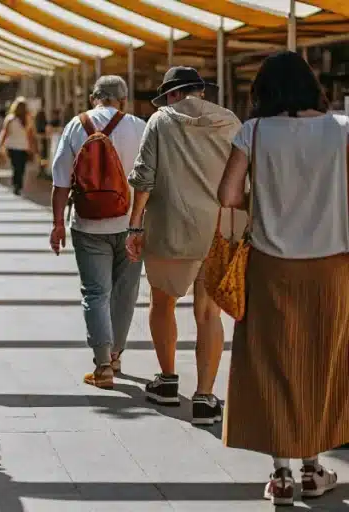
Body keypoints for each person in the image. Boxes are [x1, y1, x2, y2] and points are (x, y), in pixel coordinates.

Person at [216, 51, 347, 506]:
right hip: (332, 265)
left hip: (270, 265)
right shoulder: (342, 129)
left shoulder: (253, 131)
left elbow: (228, 195)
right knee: (321, 363)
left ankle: (282, 476)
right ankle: (313, 468)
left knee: (273, 363)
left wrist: (270, 191)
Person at [125, 67, 242, 426]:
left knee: (162, 300)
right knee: (209, 313)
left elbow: (144, 175)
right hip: (219, 229)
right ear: (200, 92)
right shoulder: (232, 122)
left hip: (171, 226)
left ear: (172, 94)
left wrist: (134, 225)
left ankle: (168, 381)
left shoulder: (161, 121)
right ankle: (205, 397)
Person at [49, 76, 147, 389]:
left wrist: (57, 223)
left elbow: (60, 180)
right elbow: (153, 178)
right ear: (124, 99)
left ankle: (102, 365)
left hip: (88, 223)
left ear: (94, 98)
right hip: (133, 225)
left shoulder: (76, 126)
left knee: (95, 293)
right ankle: (117, 354)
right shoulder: (139, 126)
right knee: (125, 292)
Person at [0, 97, 38, 195]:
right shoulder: (28, 119)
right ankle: (18, 185)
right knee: (21, 167)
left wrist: (0, 145)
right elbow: (31, 135)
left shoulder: (10, 119)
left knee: (15, 166)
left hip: (11, 146)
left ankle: (15, 184)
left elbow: (5, 133)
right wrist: (33, 148)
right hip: (24, 147)